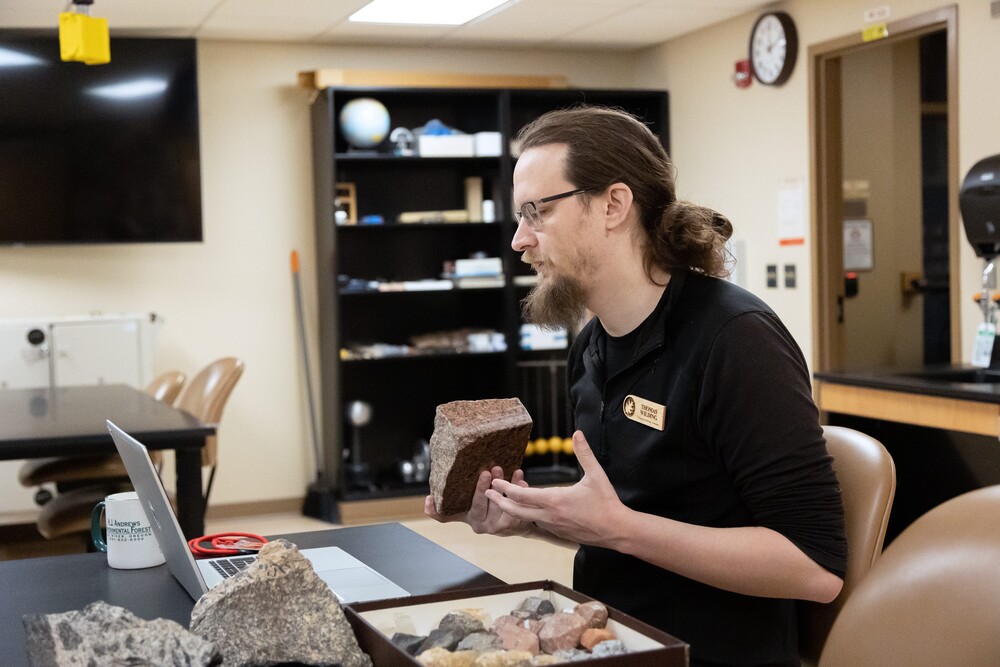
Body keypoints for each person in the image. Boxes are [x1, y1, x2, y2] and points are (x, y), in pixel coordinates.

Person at [425, 105, 847, 666]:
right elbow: (620, 519)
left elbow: (814, 569)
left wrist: (620, 529)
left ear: (613, 205)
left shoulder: (735, 340)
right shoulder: (592, 347)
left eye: (535, 212)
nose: (519, 241)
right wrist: (531, 520)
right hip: (606, 638)